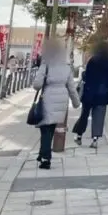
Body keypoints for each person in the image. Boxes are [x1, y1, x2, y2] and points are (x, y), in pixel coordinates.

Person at [32, 40, 80, 170]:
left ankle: (45, 158)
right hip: (62, 100)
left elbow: (36, 85)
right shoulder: (66, 67)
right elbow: (71, 87)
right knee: (50, 129)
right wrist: (76, 103)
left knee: (45, 130)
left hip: (48, 98)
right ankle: (42, 154)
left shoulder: (46, 65)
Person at [73, 41, 108, 148]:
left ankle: (79, 136)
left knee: (84, 115)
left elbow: (87, 75)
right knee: (99, 117)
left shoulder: (93, 60)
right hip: (103, 93)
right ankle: (95, 140)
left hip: (90, 92)